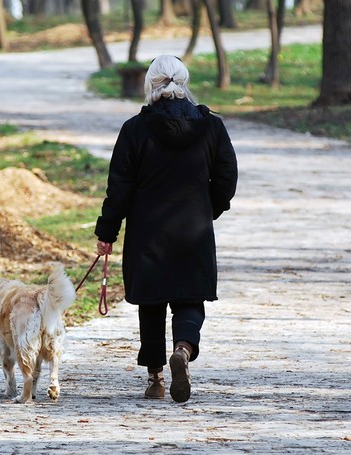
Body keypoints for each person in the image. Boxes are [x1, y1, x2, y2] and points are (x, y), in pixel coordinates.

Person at [94, 55, 238, 403]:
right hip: (194, 229)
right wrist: (209, 209)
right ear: (184, 83)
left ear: (151, 85)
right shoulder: (212, 126)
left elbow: (120, 187)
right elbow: (226, 177)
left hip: (147, 231)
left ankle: (156, 378)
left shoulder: (134, 129)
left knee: (153, 303)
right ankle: (184, 350)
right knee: (190, 299)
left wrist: (107, 232)